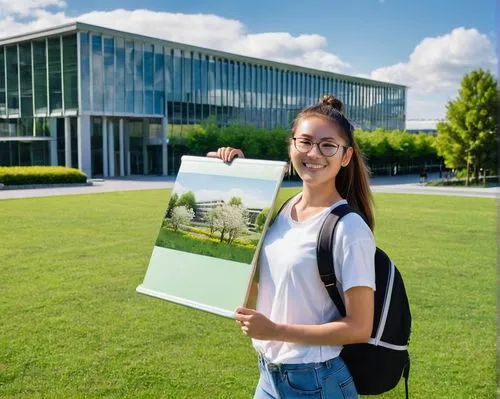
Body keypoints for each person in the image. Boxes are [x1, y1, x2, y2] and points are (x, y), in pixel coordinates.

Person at [208, 95, 375, 399]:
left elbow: (359, 327)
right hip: (269, 375)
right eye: (305, 141)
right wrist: (230, 173)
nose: (314, 153)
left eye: (328, 145)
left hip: (316, 381)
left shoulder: (350, 228)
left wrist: (275, 331)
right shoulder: (285, 209)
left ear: (346, 156)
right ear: (291, 146)